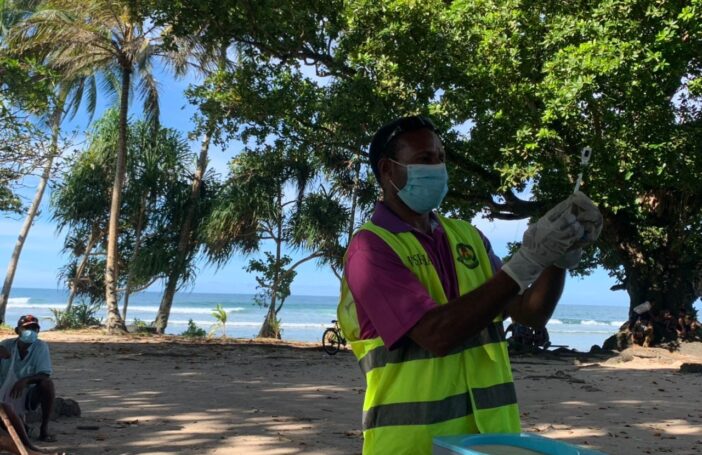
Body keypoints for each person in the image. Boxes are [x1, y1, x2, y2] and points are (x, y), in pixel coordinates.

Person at [337, 115, 603, 454]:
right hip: (412, 444)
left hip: (490, 440)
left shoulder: (467, 236)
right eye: (424, 159)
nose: (437, 168)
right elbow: (437, 334)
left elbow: (529, 314)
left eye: (441, 158)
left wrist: (559, 256)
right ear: (388, 170)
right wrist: (527, 261)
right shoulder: (370, 249)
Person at [0, 315, 56, 443]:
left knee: (47, 384)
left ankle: (44, 429)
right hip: (5, 392)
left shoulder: (40, 347)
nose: (30, 331)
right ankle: (23, 427)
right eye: (26, 328)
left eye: (34, 328)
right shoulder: (6, 345)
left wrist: (25, 381)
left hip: (28, 393)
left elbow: (45, 374)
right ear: (17, 331)